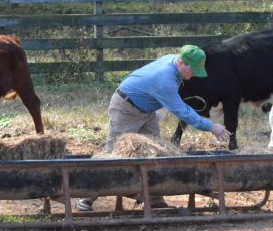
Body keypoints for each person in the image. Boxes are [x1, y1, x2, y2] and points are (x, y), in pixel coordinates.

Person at [76, 45, 231, 212]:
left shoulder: (174, 62)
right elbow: (181, 111)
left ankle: (154, 197)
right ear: (181, 62)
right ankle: (85, 195)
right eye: (193, 70)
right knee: (112, 152)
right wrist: (211, 126)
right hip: (125, 107)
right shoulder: (165, 78)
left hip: (146, 109)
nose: (194, 75)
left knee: (156, 151)